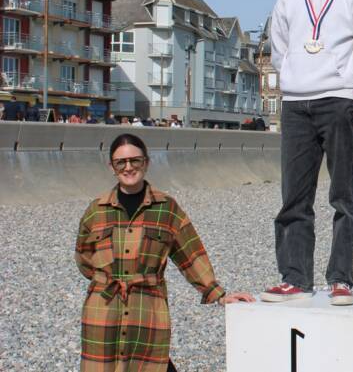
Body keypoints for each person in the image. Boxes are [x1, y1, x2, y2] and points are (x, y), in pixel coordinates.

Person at [262, 0, 353, 307]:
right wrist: (294, 77)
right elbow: (279, 50)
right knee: (294, 196)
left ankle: (340, 279)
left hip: (337, 101)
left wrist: (348, 89)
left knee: (344, 195)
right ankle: (295, 278)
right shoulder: (286, 0)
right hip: (296, 104)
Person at [75, 134, 254, 371]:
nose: (128, 167)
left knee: (151, 365)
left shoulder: (166, 208)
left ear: (146, 162)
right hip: (102, 309)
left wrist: (218, 294)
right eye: (121, 162)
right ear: (112, 167)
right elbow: (83, 257)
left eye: (135, 161)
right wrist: (108, 279)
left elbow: (190, 253)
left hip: (148, 308)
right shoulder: (96, 210)